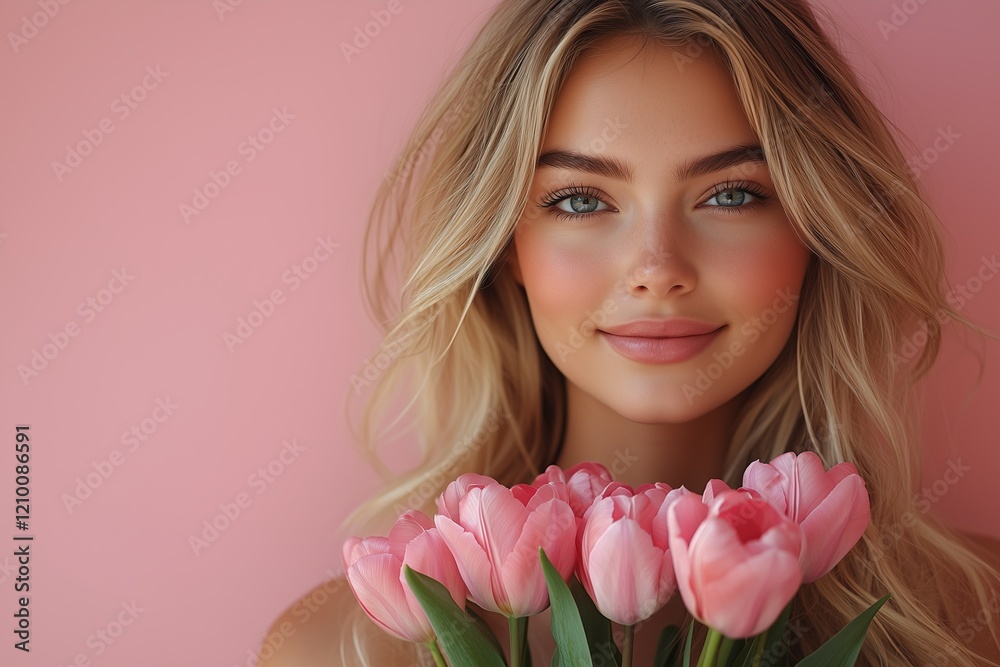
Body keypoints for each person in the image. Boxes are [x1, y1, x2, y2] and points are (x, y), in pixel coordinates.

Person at [260, 0, 1000, 664]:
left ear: (819, 231)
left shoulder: (972, 619)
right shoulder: (346, 650)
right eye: (581, 200)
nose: (657, 269)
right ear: (505, 248)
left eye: (732, 194)